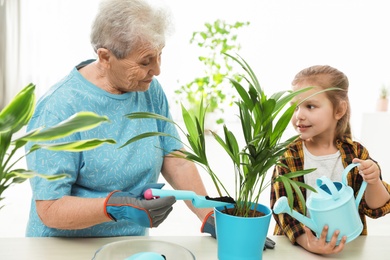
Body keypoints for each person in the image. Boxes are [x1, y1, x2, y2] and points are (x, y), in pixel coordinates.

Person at [25, 0, 212, 237]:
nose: (157, 70)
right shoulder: (59, 109)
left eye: (159, 55)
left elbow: (174, 157)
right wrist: (113, 206)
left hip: (128, 242)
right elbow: (50, 208)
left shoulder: (148, 89)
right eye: (145, 61)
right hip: (64, 245)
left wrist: (207, 212)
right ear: (105, 57)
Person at [270, 65, 390, 254]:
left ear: (339, 110)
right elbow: (284, 212)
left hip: (349, 250)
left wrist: (373, 181)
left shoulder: (356, 153)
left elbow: (376, 208)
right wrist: (308, 243)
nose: (299, 115)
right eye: (295, 107)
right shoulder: (288, 156)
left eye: (310, 106)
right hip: (298, 251)